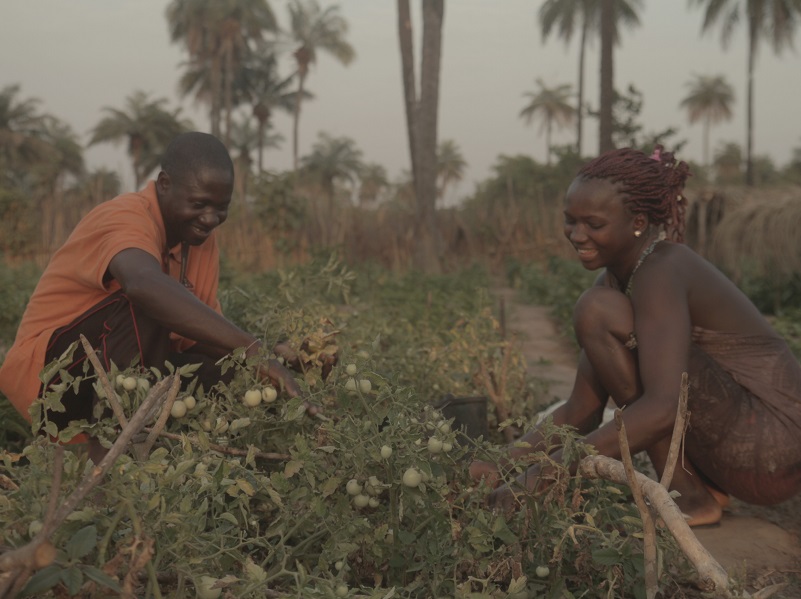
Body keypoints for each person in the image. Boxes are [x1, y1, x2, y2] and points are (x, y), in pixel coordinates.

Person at [470, 146, 801, 527]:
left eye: (593, 224)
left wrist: (543, 475)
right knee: (598, 309)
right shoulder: (614, 283)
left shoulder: (662, 269)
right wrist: (496, 465)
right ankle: (695, 491)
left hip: (772, 443)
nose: (577, 234)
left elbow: (661, 409)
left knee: (596, 310)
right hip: (742, 450)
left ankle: (689, 496)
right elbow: (580, 410)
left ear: (638, 222)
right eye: (570, 221)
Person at [0, 131, 301, 459]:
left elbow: (192, 337)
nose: (211, 219)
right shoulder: (125, 215)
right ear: (164, 184)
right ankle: (111, 471)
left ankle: (172, 456)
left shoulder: (198, 240)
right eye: (199, 204)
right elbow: (143, 285)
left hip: (119, 371)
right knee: (149, 301)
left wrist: (267, 360)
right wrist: (252, 348)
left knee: (232, 370)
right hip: (49, 381)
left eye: (221, 208)